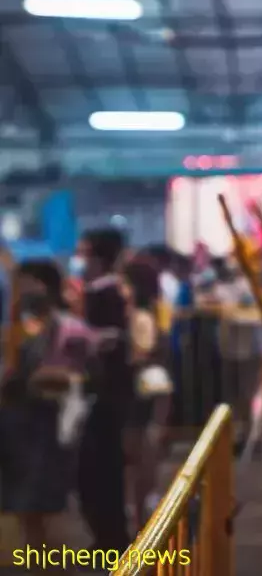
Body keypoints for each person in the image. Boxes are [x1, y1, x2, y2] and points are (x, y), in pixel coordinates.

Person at [0, 260, 97, 557]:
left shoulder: (69, 328)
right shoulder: (17, 329)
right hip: (17, 431)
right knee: (28, 518)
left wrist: (40, 378)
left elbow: (79, 376)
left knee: (51, 517)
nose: (21, 292)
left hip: (47, 431)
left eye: (28, 284)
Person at [74, 227, 132, 552]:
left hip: (105, 394)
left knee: (100, 469)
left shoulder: (105, 293)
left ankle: (112, 541)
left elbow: (110, 339)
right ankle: (108, 539)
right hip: (104, 393)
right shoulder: (102, 290)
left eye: (84, 251)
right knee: (98, 470)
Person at [121, 258, 173, 527]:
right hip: (149, 394)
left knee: (140, 463)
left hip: (143, 395)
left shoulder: (141, 317)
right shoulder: (154, 311)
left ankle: (144, 525)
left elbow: (141, 353)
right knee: (141, 463)